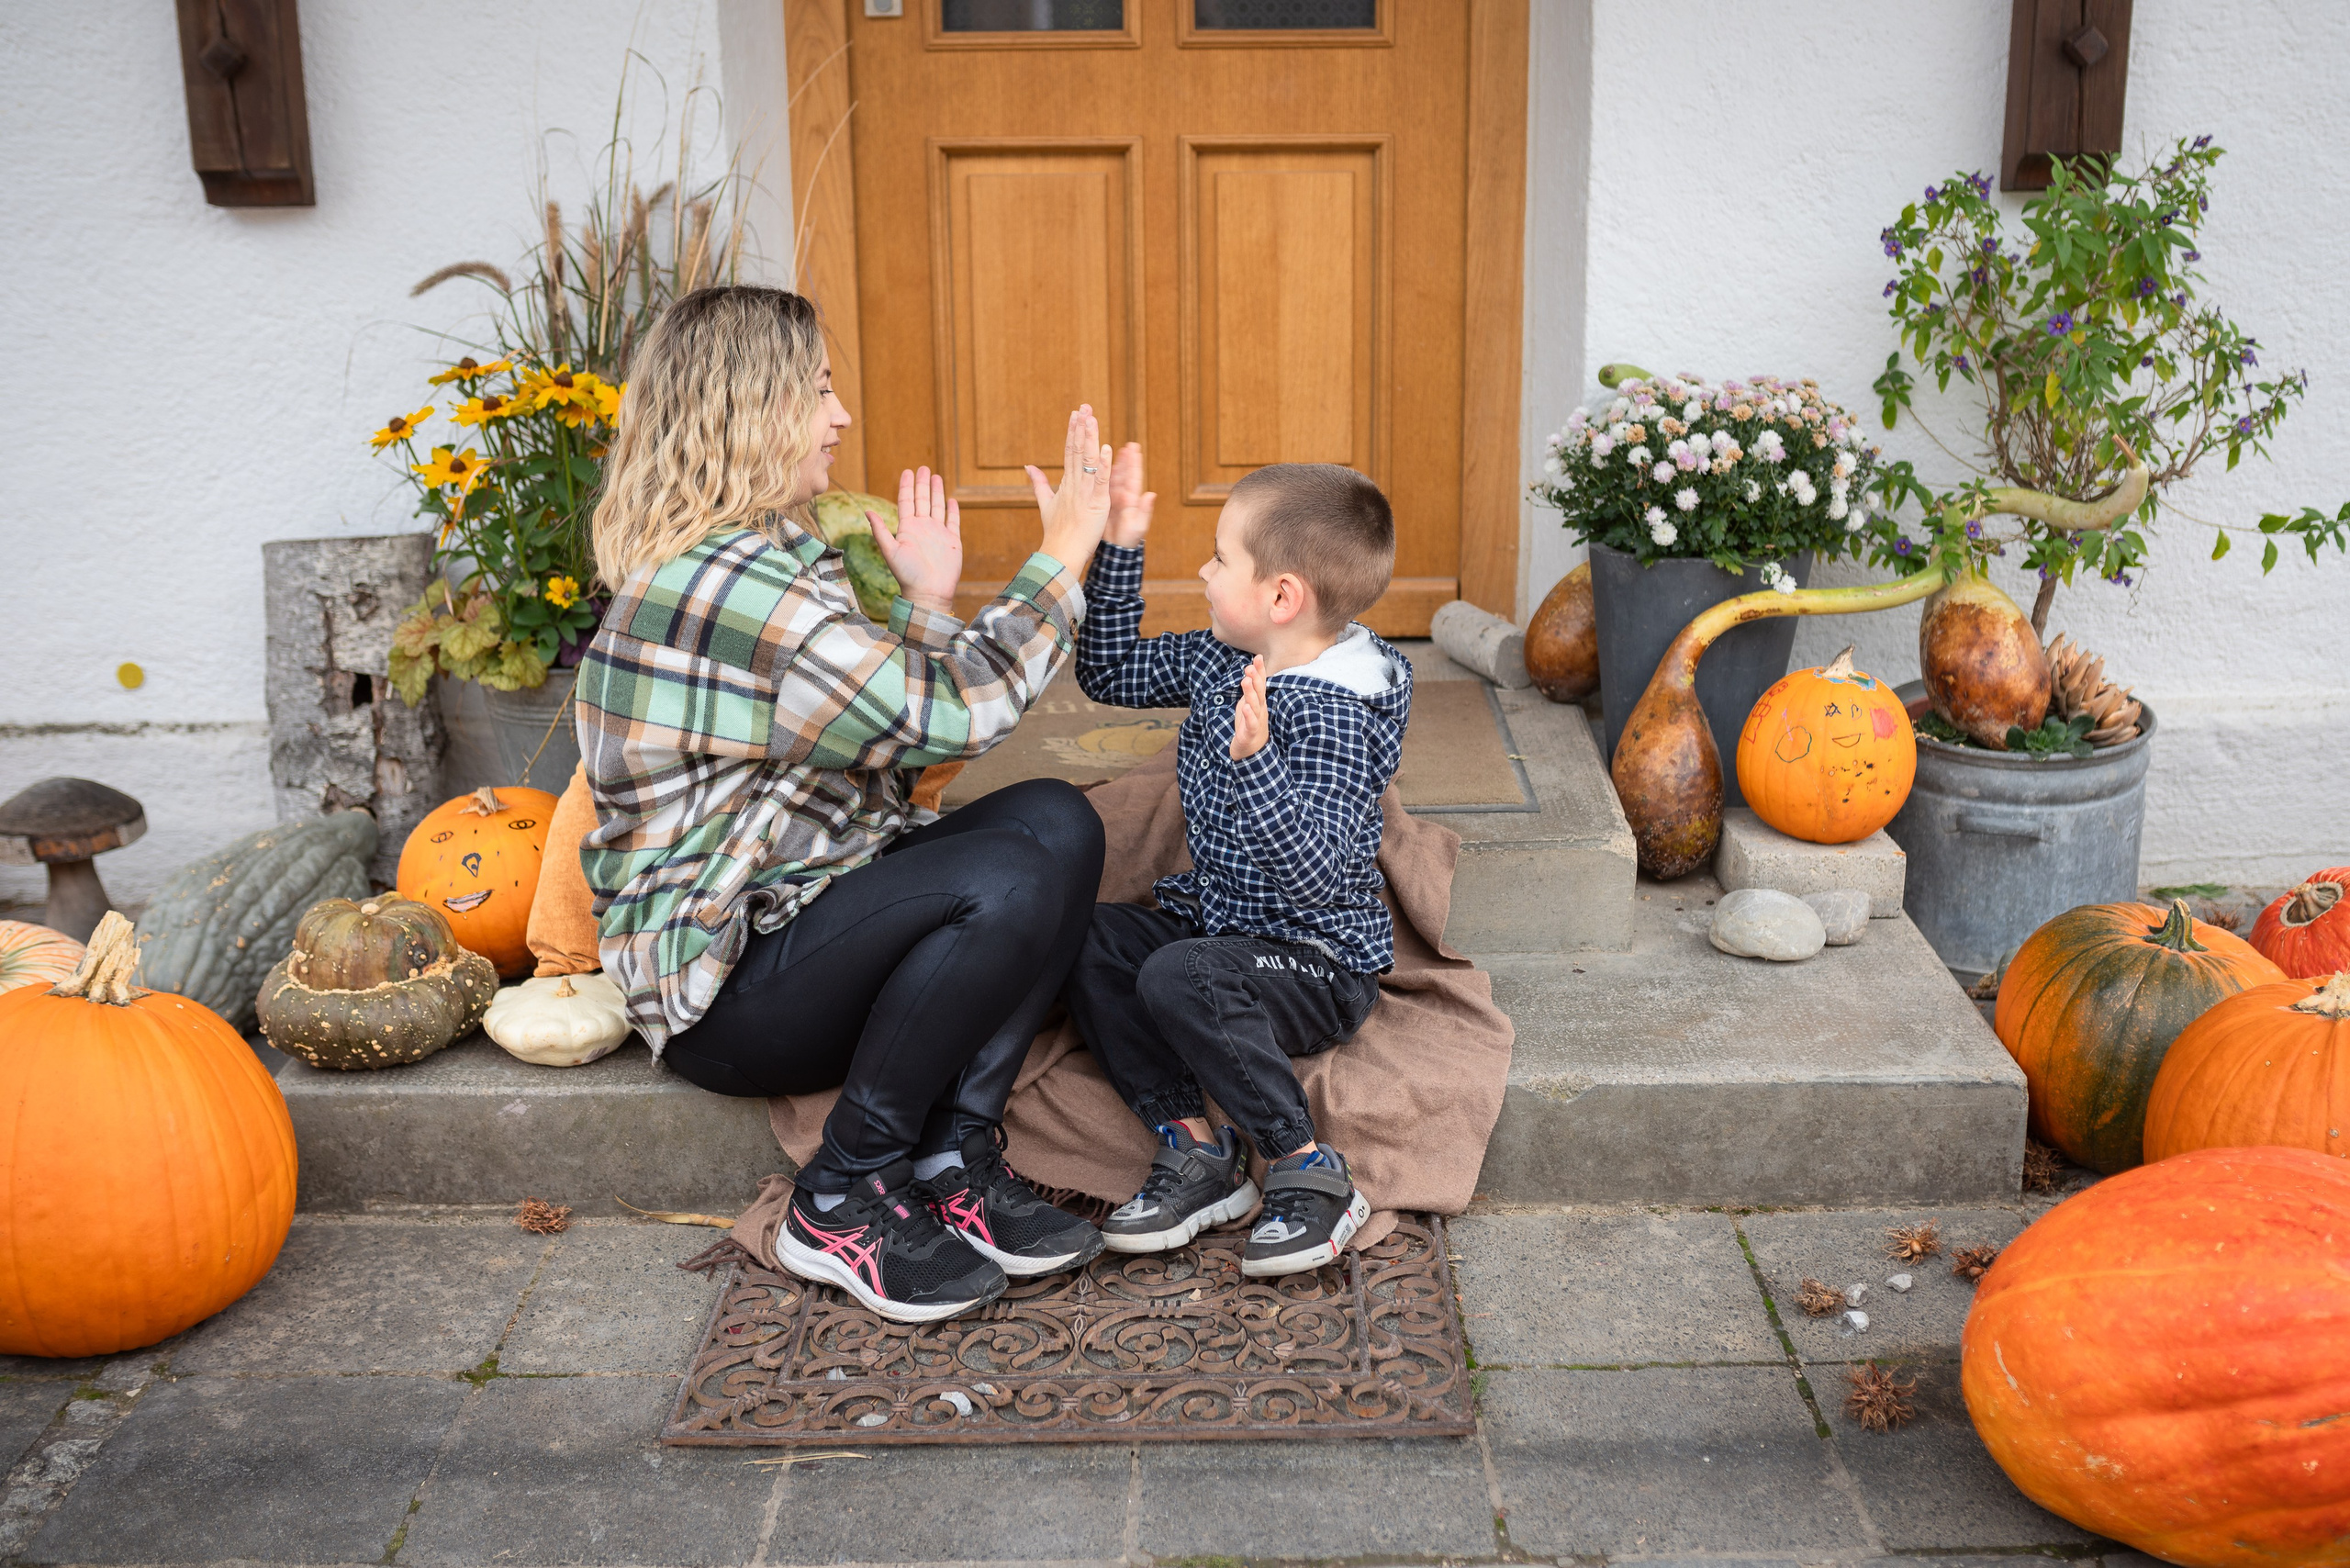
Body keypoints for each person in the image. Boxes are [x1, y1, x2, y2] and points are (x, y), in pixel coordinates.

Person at [578, 285, 1119, 1325]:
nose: (842, 415)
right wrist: (1063, 556)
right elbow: (954, 716)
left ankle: (953, 1154)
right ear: (752, 408)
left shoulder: (768, 555)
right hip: (724, 991)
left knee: (1059, 821)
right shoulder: (726, 588)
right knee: (1007, 873)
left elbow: (888, 736)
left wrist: (926, 606)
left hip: (807, 912)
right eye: (819, 390)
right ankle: (842, 1194)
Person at [1061, 452, 1412, 1278]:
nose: (1204, 571)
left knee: (1183, 973)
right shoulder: (1229, 655)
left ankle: (1306, 1168)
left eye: (1221, 559)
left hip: (1314, 965)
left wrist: (1257, 765)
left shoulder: (1335, 713)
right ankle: (1196, 1152)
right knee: (1082, 935)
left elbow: (1315, 880)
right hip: (1221, 930)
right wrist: (1121, 545)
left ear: (1282, 597)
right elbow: (1107, 671)